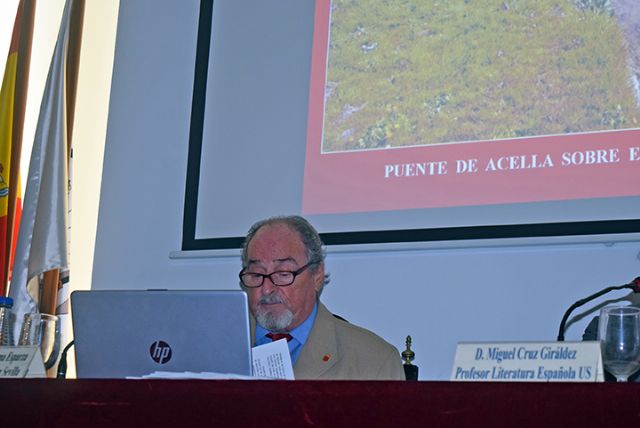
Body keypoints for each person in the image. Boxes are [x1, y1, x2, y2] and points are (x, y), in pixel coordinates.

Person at [239, 215, 405, 380]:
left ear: (317, 276)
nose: (267, 289)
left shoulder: (374, 362)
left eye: (283, 274)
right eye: (256, 273)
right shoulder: (216, 348)